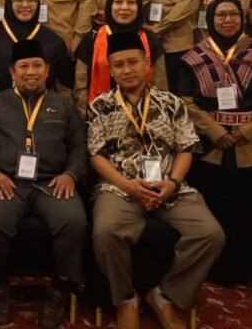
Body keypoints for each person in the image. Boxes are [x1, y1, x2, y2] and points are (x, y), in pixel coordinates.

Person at [88, 31, 224, 329]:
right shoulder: (100, 106)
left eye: (133, 62)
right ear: (110, 70)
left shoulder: (171, 102)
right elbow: (96, 156)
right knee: (106, 233)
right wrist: (127, 185)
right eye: (119, 65)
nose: (127, 70)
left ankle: (164, 295)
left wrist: (172, 183)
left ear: (146, 63)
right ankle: (126, 299)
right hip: (119, 188)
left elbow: (186, 148)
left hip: (170, 187)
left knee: (210, 235)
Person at [0, 39, 88, 329]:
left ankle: (61, 288)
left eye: (37, 65)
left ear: (47, 70)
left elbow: (79, 146)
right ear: (12, 71)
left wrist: (71, 174)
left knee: (74, 222)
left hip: (52, 183)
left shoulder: (64, 104)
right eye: (24, 66)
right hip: (6, 182)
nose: (31, 72)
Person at [178, 0, 252, 286]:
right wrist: (215, 131)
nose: (227, 20)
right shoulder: (193, 57)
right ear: (210, 18)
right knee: (215, 207)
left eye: (233, 14)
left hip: (251, 145)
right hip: (211, 146)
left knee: (250, 208)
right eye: (221, 15)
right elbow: (185, 100)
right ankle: (214, 268)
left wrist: (248, 130)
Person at [75, 0, 165, 116]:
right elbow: (80, 84)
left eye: (131, 2)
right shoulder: (93, 38)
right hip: (100, 116)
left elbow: (160, 84)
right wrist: (85, 116)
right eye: (118, 2)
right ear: (109, 5)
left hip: (145, 117)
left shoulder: (150, 39)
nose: (124, 7)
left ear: (139, 6)